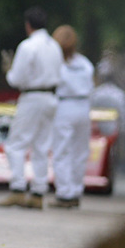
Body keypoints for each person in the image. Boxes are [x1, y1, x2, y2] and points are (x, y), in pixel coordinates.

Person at [0, 6, 63, 209]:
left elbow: (17, 78)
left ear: (28, 25)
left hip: (32, 97)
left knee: (16, 144)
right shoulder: (54, 46)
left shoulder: (27, 46)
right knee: (41, 146)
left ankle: (17, 188)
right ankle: (38, 192)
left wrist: (8, 71)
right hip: (51, 97)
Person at [49, 25, 94, 208]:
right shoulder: (84, 63)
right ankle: (76, 191)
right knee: (80, 152)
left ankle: (64, 193)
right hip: (83, 107)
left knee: (61, 151)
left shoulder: (56, 63)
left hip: (64, 105)